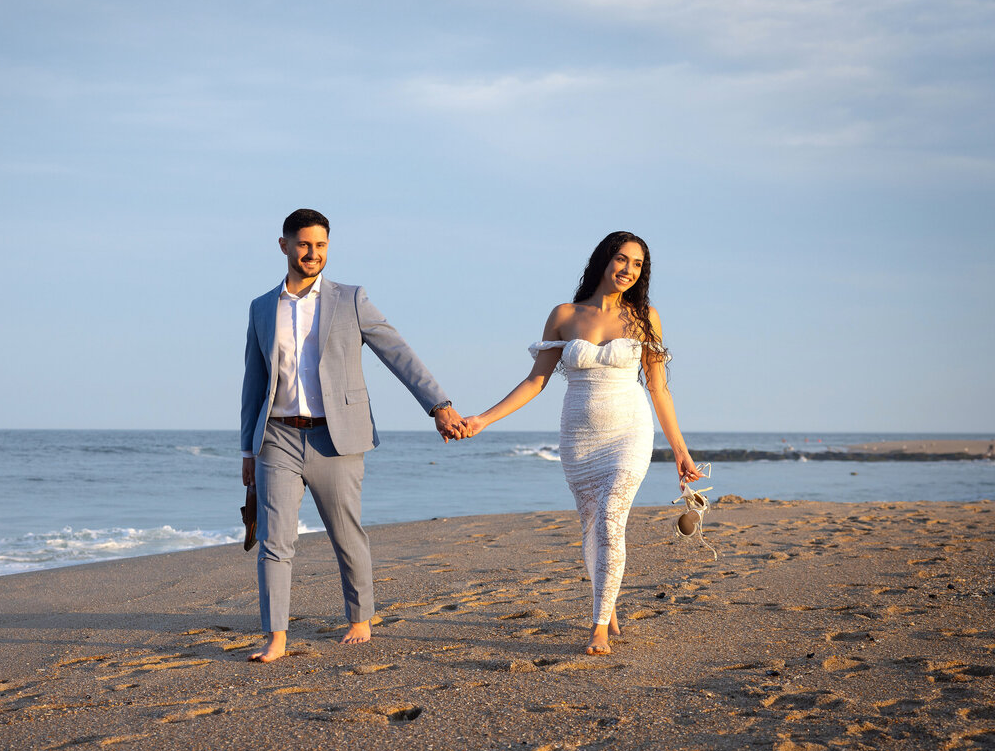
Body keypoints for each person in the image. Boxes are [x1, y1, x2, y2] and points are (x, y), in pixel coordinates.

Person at [241, 208, 467, 663]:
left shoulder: (351, 299)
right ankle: (276, 636)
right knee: (274, 540)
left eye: (321, 245)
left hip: (335, 438)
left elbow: (397, 352)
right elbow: (254, 380)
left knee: (346, 533)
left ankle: (360, 617)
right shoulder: (263, 307)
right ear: (284, 245)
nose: (312, 253)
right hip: (278, 438)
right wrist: (247, 447)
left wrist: (439, 406)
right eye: (304, 244)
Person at [461, 231, 703, 655]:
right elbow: (536, 381)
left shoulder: (645, 318)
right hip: (578, 439)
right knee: (592, 527)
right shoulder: (564, 314)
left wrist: (680, 451)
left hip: (630, 432)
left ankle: (598, 629)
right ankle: (607, 606)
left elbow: (658, 389)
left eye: (638, 264)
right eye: (622, 259)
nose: (628, 270)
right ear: (603, 260)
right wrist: (483, 419)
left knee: (611, 518)